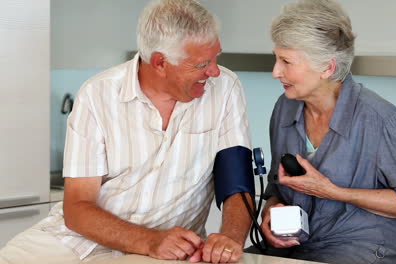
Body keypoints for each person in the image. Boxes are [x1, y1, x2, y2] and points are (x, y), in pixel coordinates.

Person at [0, 0, 255, 263]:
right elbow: (76, 208)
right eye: (202, 64)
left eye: (216, 57)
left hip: (167, 252)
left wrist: (231, 238)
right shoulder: (97, 95)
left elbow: (238, 184)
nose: (214, 71)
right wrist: (149, 240)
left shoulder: (225, 89)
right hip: (74, 240)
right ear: (159, 62)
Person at [253, 0, 396, 263]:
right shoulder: (285, 107)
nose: (275, 72)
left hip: (363, 248)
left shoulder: (378, 117)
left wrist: (330, 190)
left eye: (286, 61)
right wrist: (272, 209)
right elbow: (276, 184)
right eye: (276, 58)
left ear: (327, 67)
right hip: (296, 246)